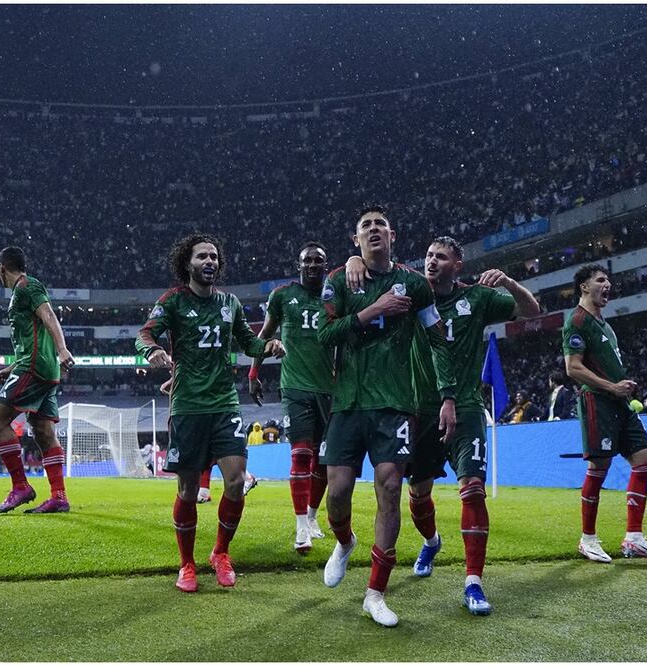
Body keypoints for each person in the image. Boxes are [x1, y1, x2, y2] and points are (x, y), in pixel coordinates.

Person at [362, 235, 540, 616]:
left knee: (472, 489)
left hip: (468, 408)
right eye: (428, 255)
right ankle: (432, 540)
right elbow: (373, 280)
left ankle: (473, 582)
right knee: (418, 495)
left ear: (457, 265)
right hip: (420, 411)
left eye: (440, 257)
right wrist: (352, 261)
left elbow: (532, 309)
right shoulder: (410, 296)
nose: (431, 262)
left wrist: (508, 282)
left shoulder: (477, 298)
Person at [317, 206, 457, 628]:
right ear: (355, 240)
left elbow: (437, 341)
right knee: (337, 492)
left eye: (380, 225)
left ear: (393, 235)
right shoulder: (339, 280)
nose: (374, 230)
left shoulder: (415, 284)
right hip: (347, 403)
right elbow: (324, 337)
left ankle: (375, 593)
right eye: (366, 226)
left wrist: (448, 395)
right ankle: (344, 542)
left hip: (394, 404)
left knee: (391, 488)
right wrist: (372, 309)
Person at [137, 233, 285, 593]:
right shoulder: (172, 301)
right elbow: (144, 334)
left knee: (235, 481)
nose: (210, 262)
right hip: (187, 406)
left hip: (224, 404)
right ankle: (186, 564)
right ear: (187, 263)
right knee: (188, 490)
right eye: (202, 256)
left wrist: (267, 345)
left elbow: (248, 342)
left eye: (214, 257)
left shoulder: (230, 303)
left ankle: (220, 552)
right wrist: (151, 351)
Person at [562, 264, 647, 563]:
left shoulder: (604, 325)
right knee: (600, 468)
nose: (607, 284)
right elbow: (573, 368)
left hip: (620, 402)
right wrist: (612, 386)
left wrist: (621, 387)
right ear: (584, 286)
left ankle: (634, 538)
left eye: (608, 279)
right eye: (600, 280)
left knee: (644, 461)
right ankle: (588, 539)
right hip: (598, 401)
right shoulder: (577, 320)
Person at [250, 241, 335, 553]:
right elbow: (265, 335)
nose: (313, 265)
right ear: (299, 265)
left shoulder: (334, 296)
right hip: (295, 387)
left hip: (330, 389)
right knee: (300, 455)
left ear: (326, 265)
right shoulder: (283, 295)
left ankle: (312, 516)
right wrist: (253, 373)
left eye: (318, 261)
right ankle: (301, 527)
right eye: (307, 261)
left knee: (324, 462)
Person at [0, 246, 75, 515]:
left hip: (34, 368)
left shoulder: (27, 286)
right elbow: (35, 336)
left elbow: (49, 316)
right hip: (43, 370)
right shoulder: (22, 291)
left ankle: (21, 487)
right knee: (43, 431)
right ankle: (58, 496)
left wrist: (62, 349)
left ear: (2, 268)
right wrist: (12, 365)